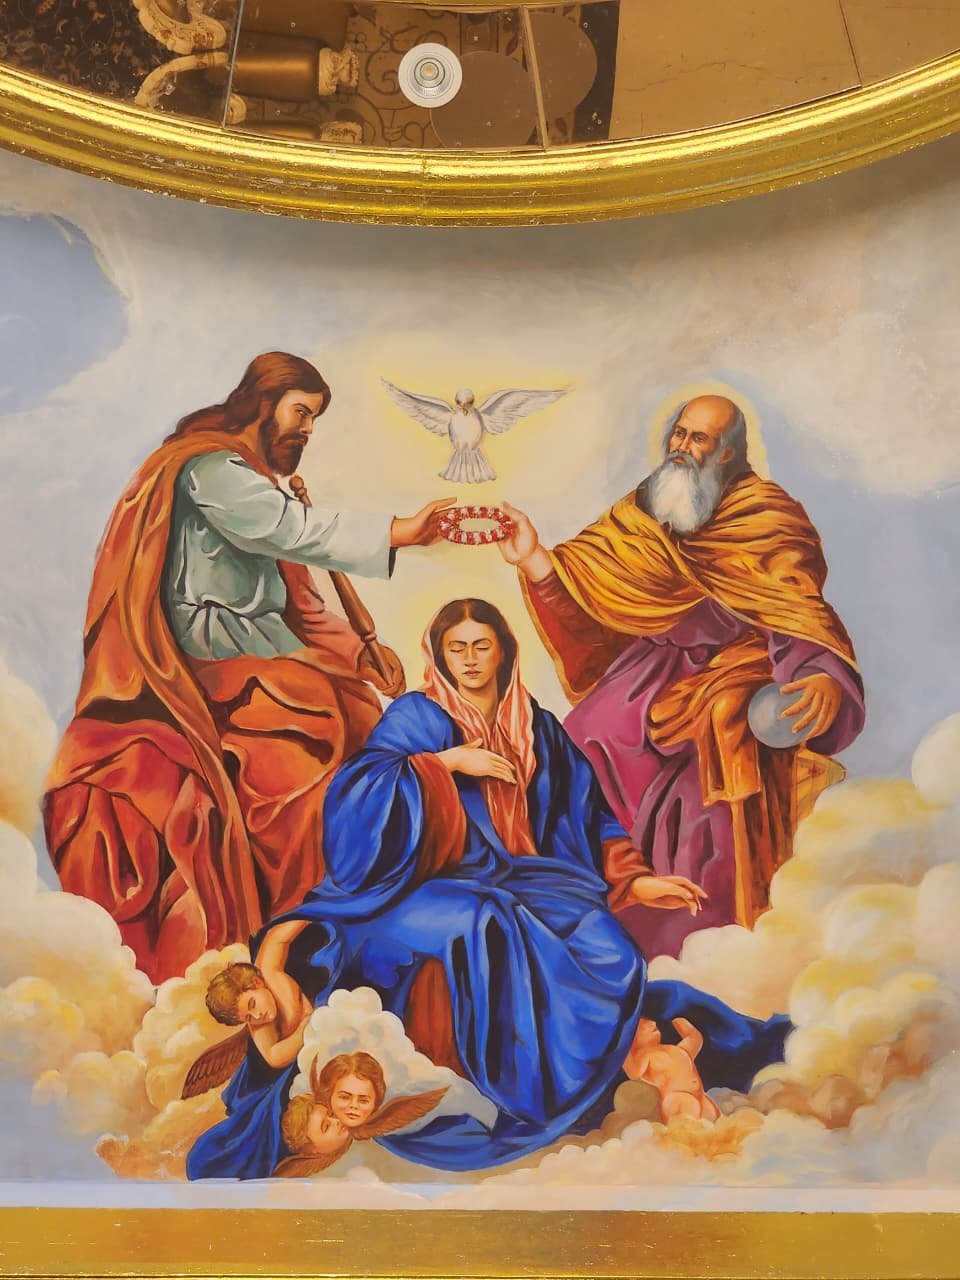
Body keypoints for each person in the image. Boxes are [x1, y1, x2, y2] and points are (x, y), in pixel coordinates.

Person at [186, 599, 790, 1180]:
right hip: (409, 887)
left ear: (504, 651)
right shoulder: (417, 716)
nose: (470, 659)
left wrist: (635, 877)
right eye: (457, 648)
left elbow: (587, 812)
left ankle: (572, 1078)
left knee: (605, 942)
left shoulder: (537, 726)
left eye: (482, 646)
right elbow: (357, 795)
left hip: (522, 878)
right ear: (439, 654)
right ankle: (520, 1088)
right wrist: (444, 766)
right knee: (482, 923)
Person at [43, 353, 454, 983]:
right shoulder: (210, 468)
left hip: (271, 655)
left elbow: (301, 601)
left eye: (313, 419)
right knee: (303, 768)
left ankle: (351, 929)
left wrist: (358, 655)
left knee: (366, 727)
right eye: (300, 413)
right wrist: (400, 531)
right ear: (263, 404)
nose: (306, 430)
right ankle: (289, 939)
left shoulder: (257, 482)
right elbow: (288, 531)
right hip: (215, 664)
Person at [501, 394, 866, 958]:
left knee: (707, 774)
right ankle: (584, 930)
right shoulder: (647, 506)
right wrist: (533, 559)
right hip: (652, 670)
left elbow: (795, 609)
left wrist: (818, 675)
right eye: (679, 433)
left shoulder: (766, 517)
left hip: (740, 670)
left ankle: (697, 947)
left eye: (698, 438)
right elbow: (588, 585)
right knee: (582, 739)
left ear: (727, 453)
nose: (681, 447)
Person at [624, 1018, 720, 1123]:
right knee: (686, 1128)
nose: (652, 1023)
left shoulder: (675, 1049)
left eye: (650, 1022)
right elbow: (633, 1072)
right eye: (643, 1026)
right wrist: (624, 1050)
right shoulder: (644, 1055)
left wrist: (680, 1021)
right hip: (677, 1098)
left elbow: (694, 1039)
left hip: (701, 1096)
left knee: (717, 1124)